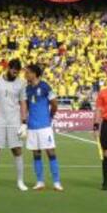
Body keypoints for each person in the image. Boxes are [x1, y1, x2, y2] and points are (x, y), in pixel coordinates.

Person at [0, 58, 28, 192]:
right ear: (8, 68)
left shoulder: (22, 83)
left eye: (17, 73)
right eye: (14, 72)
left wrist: (24, 122)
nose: (15, 75)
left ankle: (20, 181)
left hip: (14, 121)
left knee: (17, 150)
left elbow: (23, 103)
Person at [24, 63, 62, 191]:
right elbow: (27, 107)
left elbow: (54, 104)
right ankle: (40, 181)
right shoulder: (27, 89)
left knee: (51, 152)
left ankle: (56, 182)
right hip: (32, 126)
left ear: (34, 74)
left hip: (45, 126)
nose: (26, 74)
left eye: (28, 72)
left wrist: (49, 117)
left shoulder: (45, 87)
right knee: (36, 154)